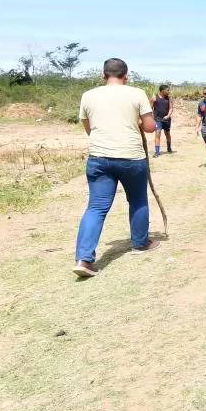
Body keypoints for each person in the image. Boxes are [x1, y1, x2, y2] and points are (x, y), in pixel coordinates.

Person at [72, 58, 161, 277]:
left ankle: (83, 259)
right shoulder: (137, 93)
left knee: (96, 207)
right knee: (138, 199)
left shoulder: (88, 96)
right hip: (131, 157)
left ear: (103, 75)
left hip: (99, 158)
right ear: (126, 75)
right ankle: (140, 243)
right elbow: (150, 127)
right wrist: (137, 122)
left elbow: (89, 128)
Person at [150, 84, 174, 157]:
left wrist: (168, 115)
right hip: (157, 119)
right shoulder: (155, 97)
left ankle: (169, 147)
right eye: (167, 90)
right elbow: (150, 108)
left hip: (166, 119)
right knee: (158, 133)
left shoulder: (169, 98)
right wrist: (152, 101)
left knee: (167, 134)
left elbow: (171, 108)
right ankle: (157, 152)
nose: (169, 91)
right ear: (162, 90)